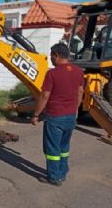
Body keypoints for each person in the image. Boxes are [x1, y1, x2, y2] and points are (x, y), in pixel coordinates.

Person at [31, 43, 84, 186]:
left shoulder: (52, 74)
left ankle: (54, 177)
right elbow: (80, 92)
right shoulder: (79, 71)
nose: (50, 59)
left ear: (57, 55)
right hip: (71, 116)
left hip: (55, 117)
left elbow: (45, 95)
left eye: (51, 56)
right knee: (64, 147)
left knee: (52, 149)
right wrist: (75, 108)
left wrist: (36, 114)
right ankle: (62, 172)